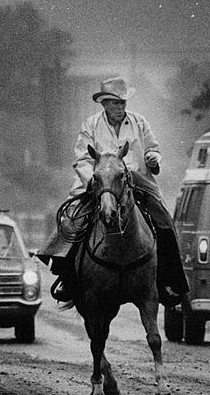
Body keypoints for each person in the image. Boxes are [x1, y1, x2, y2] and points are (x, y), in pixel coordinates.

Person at [40, 76, 188, 307]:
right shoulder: (90, 125)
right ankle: (66, 278)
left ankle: (170, 282)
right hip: (99, 182)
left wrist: (153, 159)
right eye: (115, 103)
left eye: (123, 103)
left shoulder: (139, 122)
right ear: (105, 104)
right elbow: (82, 159)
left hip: (136, 181)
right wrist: (97, 183)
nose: (120, 108)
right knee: (71, 221)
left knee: (165, 222)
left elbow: (153, 149)